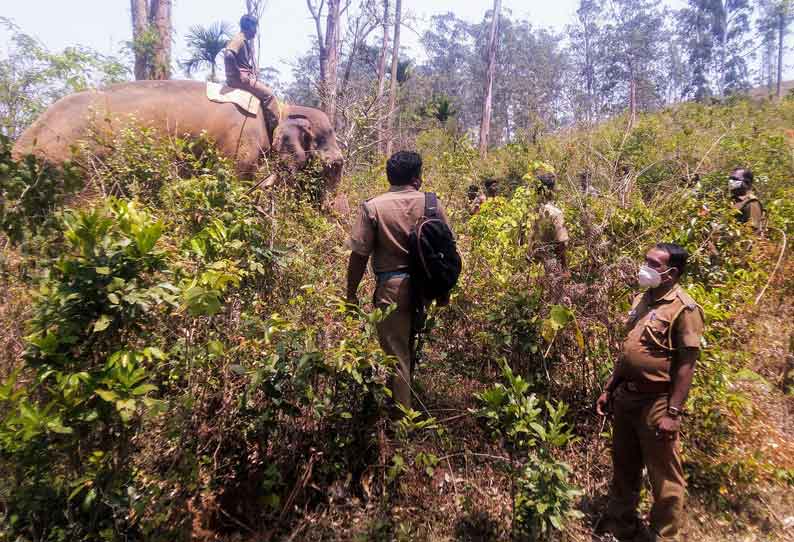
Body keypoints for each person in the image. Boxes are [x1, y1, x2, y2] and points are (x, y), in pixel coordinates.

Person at [595, 243, 705, 542]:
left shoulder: (684, 309)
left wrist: (673, 413)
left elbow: (686, 365)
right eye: (646, 260)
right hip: (626, 398)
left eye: (654, 264)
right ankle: (621, 524)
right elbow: (629, 351)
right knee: (624, 466)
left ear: (671, 273)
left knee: (665, 477)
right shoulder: (642, 300)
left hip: (657, 402)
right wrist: (610, 388)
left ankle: (662, 534)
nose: (645, 266)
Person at [346, 151, 452, 412]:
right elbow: (448, 250)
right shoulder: (432, 204)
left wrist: (351, 292)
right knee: (409, 345)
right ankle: (408, 405)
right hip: (426, 288)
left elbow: (359, 255)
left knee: (397, 356)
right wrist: (443, 292)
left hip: (391, 291)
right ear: (417, 177)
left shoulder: (374, 207)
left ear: (389, 176)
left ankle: (403, 424)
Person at [224, 15, 279, 133]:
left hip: (242, 78)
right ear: (250, 27)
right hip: (239, 80)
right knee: (269, 96)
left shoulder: (244, 41)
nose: (256, 31)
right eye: (255, 27)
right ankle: (275, 130)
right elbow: (228, 55)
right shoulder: (239, 39)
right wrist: (239, 74)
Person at [531, 171, 569, 270]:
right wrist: (564, 268)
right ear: (551, 190)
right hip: (551, 265)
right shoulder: (555, 213)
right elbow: (561, 243)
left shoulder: (530, 212)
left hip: (532, 266)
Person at [728, 167, 764, 232]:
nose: (731, 182)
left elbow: (753, 232)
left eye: (735, 179)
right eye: (730, 179)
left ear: (747, 183)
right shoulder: (733, 200)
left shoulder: (752, 203)